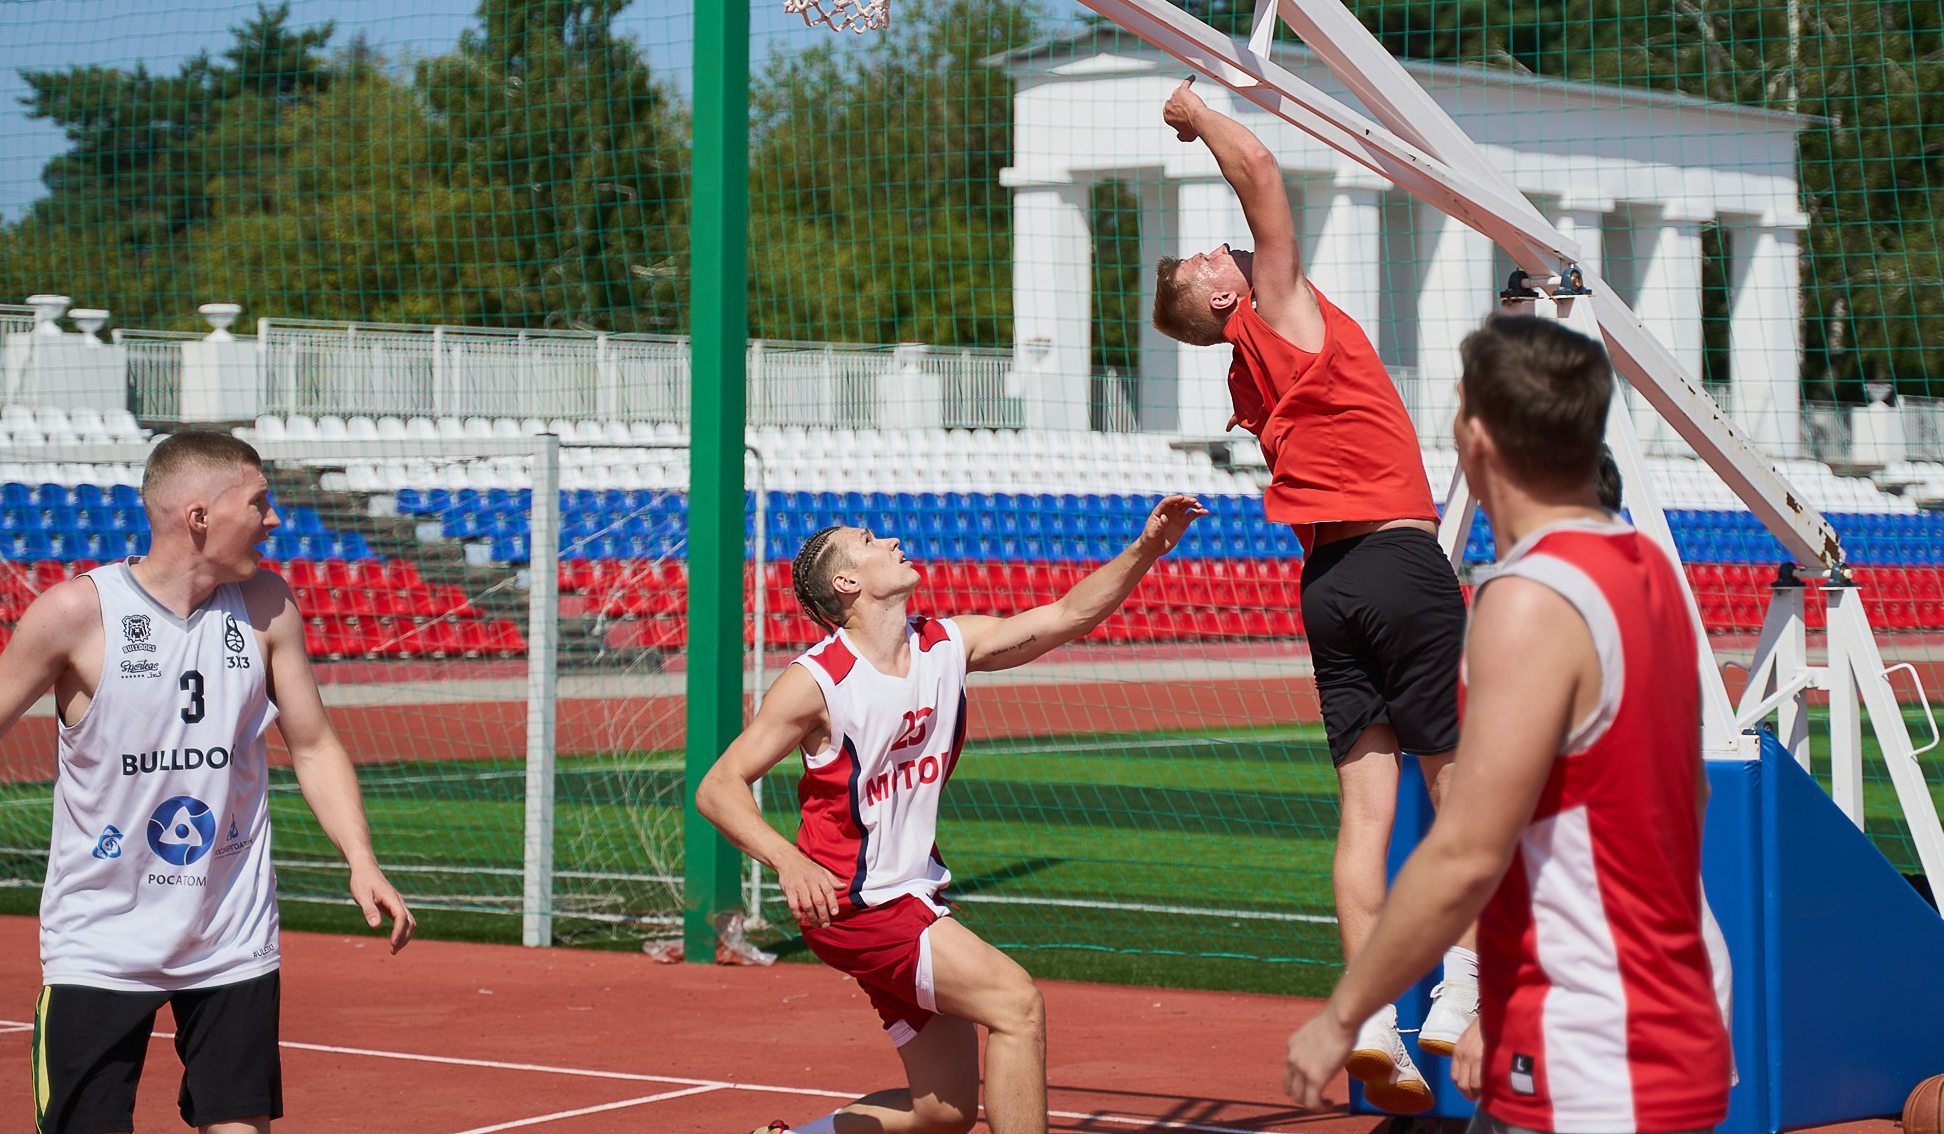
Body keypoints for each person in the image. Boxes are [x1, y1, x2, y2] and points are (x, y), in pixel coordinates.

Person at [0, 429, 417, 1134]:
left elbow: (314, 744)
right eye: (259, 502)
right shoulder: (76, 614)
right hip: (98, 942)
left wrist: (361, 858)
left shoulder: (267, 604)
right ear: (199, 516)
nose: (275, 519)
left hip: (229, 936)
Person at [1283, 314, 1734, 1134]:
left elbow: (1466, 850)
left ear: (1480, 438)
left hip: (1589, 1029)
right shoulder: (1650, 572)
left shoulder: (1527, 597)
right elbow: (1682, 799)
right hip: (1664, 1005)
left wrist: (1346, 1013)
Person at [1149, 77, 1474, 1111]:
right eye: (1208, 260)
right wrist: (1197, 114)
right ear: (1220, 300)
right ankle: (1460, 992)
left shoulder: (1248, 371)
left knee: (1364, 817)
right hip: (1397, 560)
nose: (1223, 249)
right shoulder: (1276, 313)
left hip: (1327, 585)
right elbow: (1259, 170)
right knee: (1460, 795)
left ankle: (1372, 1018)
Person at [696, 494, 1207, 1134]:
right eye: (869, 540)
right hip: (856, 900)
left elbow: (1068, 616)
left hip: (903, 894)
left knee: (944, 1112)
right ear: (847, 582)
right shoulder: (818, 681)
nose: (890, 541)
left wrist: (1147, 547)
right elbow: (718, 786)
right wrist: (787, 860)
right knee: (1017, 1005)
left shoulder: (945, 644)